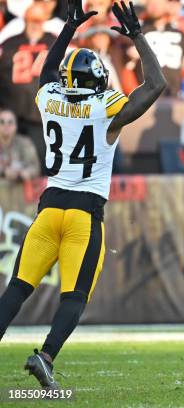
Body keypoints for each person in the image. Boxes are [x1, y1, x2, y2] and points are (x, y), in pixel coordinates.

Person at [0, 0, 166, 389]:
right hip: (84, 214)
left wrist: (68, 29)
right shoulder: (105, 107)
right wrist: (137, 37)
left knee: (17, 289)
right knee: (74, 296)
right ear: (100, 80)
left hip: (48, 209)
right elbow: (156, 84)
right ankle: (45, 356)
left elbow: (45, 73)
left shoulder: (50, 99)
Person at [0, 2, 57, 172]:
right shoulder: (10, 43)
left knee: (40, 162)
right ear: (24, 20)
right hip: (12, 115)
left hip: (40, 117)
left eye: (38, 20)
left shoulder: (54, 41)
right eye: (31, 19)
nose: (34, 24)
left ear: (45, 21)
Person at [0, 108, 40, 181]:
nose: (6, 125)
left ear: (15, 126)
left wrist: (21, 174)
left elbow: (35, 168)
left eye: (10, 122)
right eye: (2, 122)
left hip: (19, 187)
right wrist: (4, 172)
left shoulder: (25, 143)